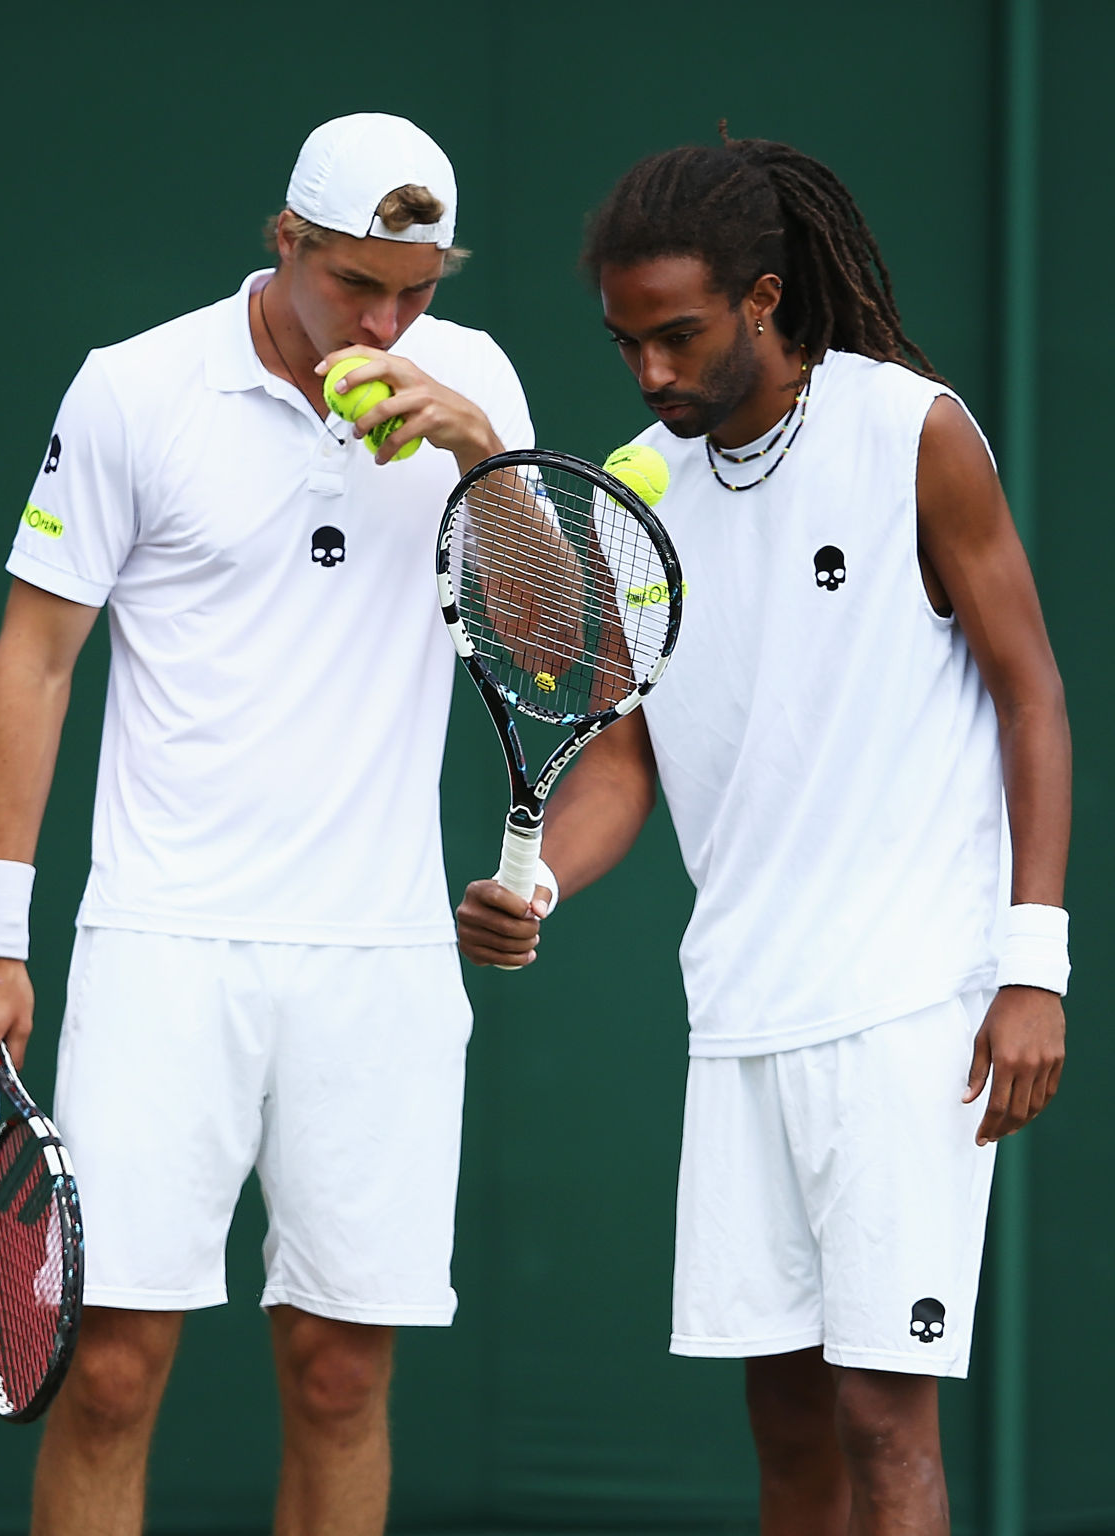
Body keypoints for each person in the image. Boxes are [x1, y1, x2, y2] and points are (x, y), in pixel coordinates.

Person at [457, 132, 1070, 1535]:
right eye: (625, 345)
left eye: (677, 336)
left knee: (883, 1423)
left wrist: (1036, 963)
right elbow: (624, 762)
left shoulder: (911, 430)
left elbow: (1034, 698)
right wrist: (540, 879)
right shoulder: (636, 491)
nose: (652, 373)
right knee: (786, 1424)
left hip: (909, 1007)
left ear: (767, 299)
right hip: (738, 1013)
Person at [0, 112, 533, 1536]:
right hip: (165, 943)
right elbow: (34, 661)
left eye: (418, 287)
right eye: (353, 283)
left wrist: (480, 457)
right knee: (115, 1370)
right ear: (284, 242)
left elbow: (546, 644)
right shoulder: (136, 390)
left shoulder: (475, 383)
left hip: (380, 961)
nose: (387, 319)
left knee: (339, 1376)